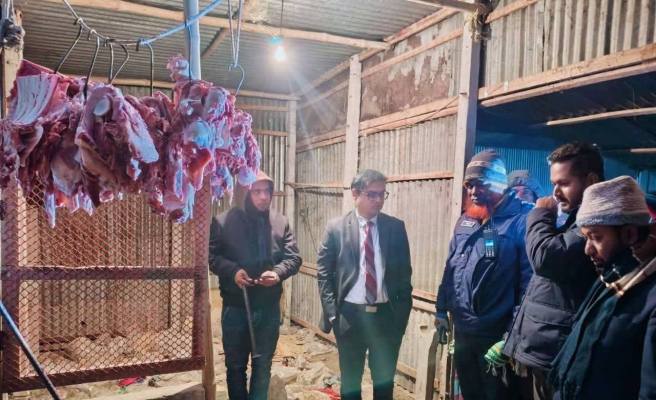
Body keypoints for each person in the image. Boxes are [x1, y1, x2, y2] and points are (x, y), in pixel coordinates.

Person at [503, 142, 602, 400]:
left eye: (564, 183)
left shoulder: (594, 225)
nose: (555, 192)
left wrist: (539, 215)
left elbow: (546, 258)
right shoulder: (572, 219)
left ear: (591, 181)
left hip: (556, 352)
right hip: (543, 347)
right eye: (553, 184)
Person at [435, 149, 533, 400]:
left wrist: (510, 337)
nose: (473, 191)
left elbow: (529, 287)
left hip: (496, 337)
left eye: (481, 184)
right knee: (470, 393)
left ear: (501, 184)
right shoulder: (466, 220)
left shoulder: (521, 221)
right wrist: (441, 309)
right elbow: (451, 266)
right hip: (463, 332)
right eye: (469, 185)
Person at [549, 176, 656, 400]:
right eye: (586, 238)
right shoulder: (610, 278)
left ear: (629, 234)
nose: (587, 249)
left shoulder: (649, 297)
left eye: (596, 237)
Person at [317, 169, 412, 400]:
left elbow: (404, 275)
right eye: (372, 194)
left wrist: (401, 316)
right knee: (350, 384)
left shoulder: (395, 228)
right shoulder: (336, 228)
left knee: (384, 384)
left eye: (382, 194)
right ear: (355, 193)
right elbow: (324, 273)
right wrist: (333, 315)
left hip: (385, 318)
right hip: (350, 318)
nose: (378, 200)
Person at [208, 171, 302, 400]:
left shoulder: (280, 222)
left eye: (267, 191)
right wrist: (233, 271)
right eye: (257, 191)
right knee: (235, 367)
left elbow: (294, 258)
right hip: (236, 308)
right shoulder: (224, 221)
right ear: (245, 192)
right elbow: (212, 257)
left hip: (268, 308)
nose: (263, 197)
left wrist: (277, 273)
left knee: (262, 367)